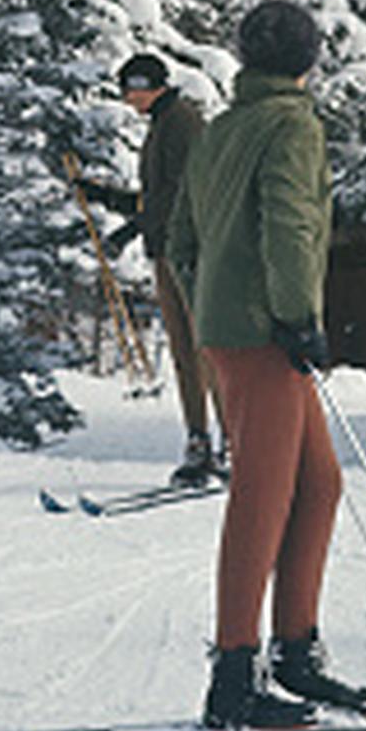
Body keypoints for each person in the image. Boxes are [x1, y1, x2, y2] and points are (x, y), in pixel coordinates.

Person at [167, 0, 366, 731]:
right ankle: (232, 674)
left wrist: (209, 306)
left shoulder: (223, 129)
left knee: (318, 484)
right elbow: (288, 222)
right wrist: (295, 316)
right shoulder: (292, 125)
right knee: (263, 492)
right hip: (266, 332)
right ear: (310, 61)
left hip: (236, 329)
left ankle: (295, 651)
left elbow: (180, 238)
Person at [80, 52, 224, 487]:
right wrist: (106, 197)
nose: (127, 98)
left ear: (147, 85)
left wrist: (129, 228)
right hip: (165, 249)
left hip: (191, 249)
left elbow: (181, 193)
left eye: (130, 89)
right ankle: (199, 441)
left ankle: (232, 443)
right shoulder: (163, 124)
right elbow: (154, 198)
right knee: (184, 352)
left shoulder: (181, 122)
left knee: (205, 349)